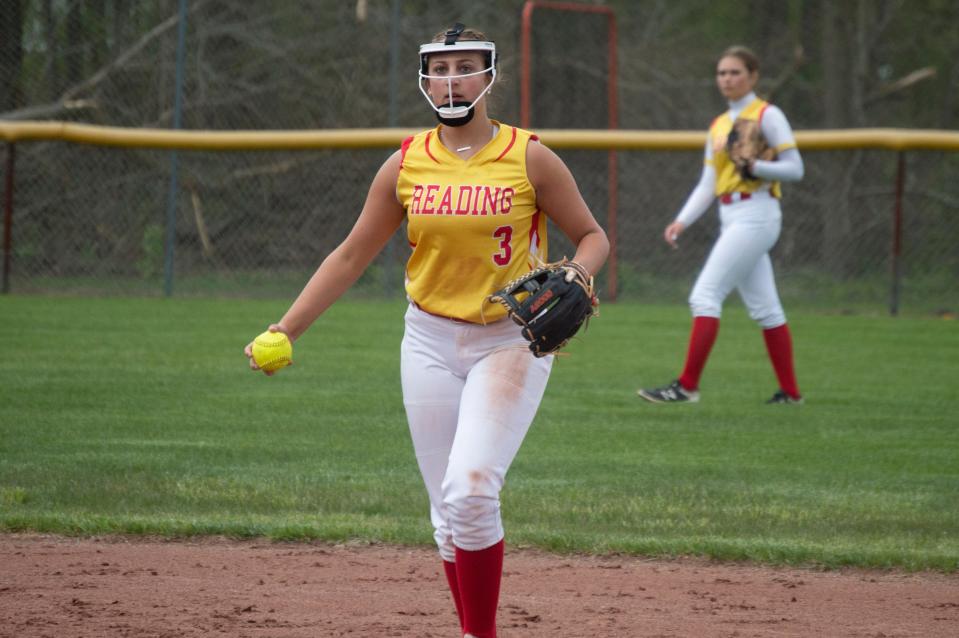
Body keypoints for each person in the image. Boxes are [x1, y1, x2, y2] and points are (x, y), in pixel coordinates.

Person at [244, 23, 609, 638]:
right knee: (447, 514)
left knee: (470, 492)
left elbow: (595, 237)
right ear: (424, 80)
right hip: (429, 341)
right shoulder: (406, 162)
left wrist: (575, 272)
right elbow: (351, 255)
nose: (451, 79)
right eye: (439, 69)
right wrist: (287, 328)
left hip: (507, 341)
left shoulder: (529, 156)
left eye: (464, 66)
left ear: (489, 75)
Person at [637, 45, 805, 405]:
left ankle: (686, 387)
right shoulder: (719, 124)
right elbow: (708, 183)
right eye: (722, 73)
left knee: (704, 295)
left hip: (758, 211)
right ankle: (790, 394)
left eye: (735, 72)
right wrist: (681, 220)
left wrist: (757, 168)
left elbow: (795, 168)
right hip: (731, 215)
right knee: (766, 309)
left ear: (753, 76)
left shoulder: (767, 115)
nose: (727, 79)